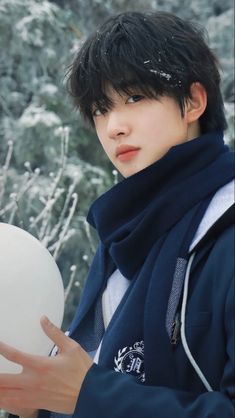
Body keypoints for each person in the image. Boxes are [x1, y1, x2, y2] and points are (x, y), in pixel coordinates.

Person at [0, 11, 234, 418]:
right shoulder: (122, 238)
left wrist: (90, 396)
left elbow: (93, 391)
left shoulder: (224, 232)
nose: (113, 128)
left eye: (135, 97)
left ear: (194, 101)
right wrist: (42, 404)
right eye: (100, 109)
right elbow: (94, 370)